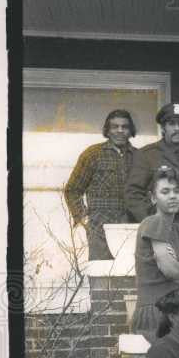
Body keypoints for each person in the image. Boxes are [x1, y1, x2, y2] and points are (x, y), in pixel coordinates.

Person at [130, 166, 179, 341]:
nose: (173, 196)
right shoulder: (153, 222)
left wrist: (178, 266)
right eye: (165, 192)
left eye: (176, 191)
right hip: (155, 310)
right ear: (153, 198)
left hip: (177, 308)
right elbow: (171, 270)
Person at [63, 108, 138, 259]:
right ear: (107, 130)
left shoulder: (139, 157)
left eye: (124, 127)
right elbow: (72, 190)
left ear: (131, 131)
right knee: (101, 274)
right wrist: (83, 218)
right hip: (100, 232)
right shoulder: (92, 154)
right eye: (115, 127)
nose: (120, 131)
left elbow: (149, 192)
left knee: (129, 275)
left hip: (131, 229)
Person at [125, 102, 179, 224]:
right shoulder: (147, 155)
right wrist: (151, 222)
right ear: (163, 128)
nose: (177, 128)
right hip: (159, 225)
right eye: (171, 124)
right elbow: (133, 194)